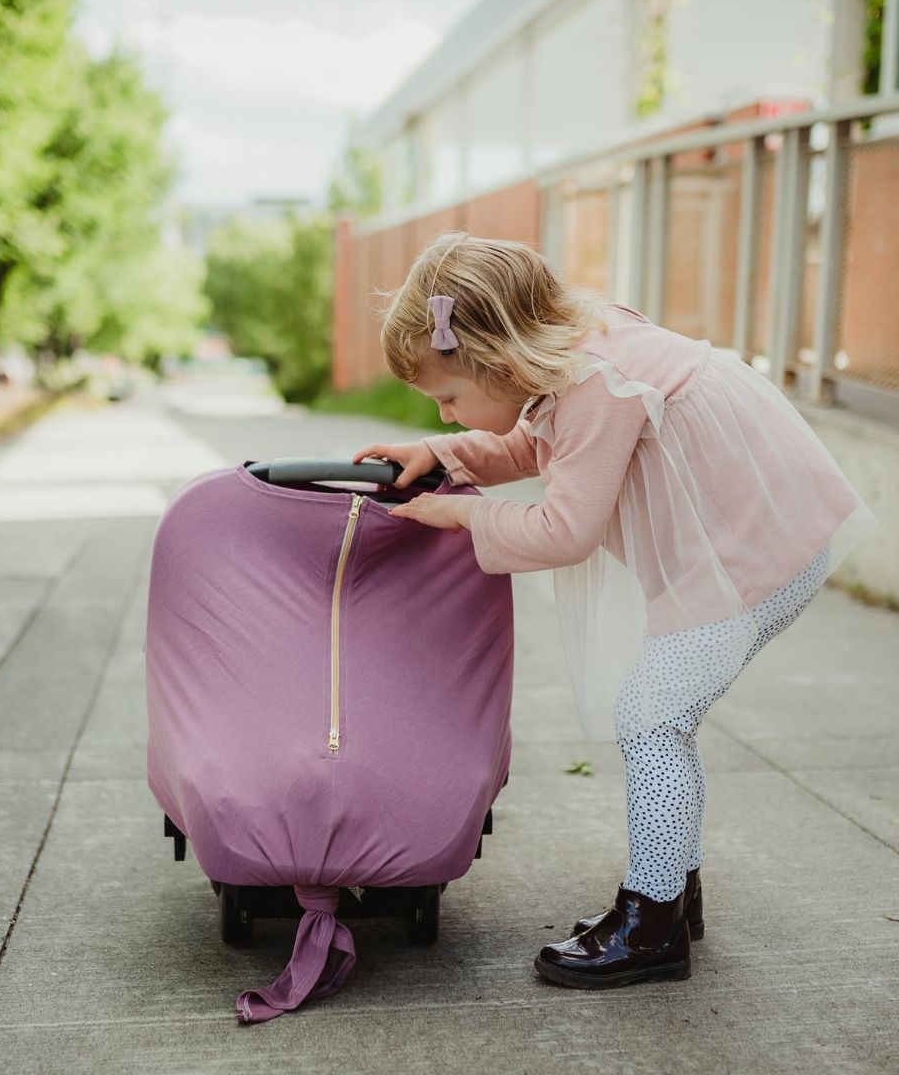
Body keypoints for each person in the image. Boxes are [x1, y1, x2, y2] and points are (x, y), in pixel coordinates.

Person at [352, 231, 875, 990]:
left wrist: (462, 517)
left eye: (449, 395)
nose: (444, 406)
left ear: (499, 359)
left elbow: (567, 530)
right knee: (662, 716)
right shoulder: (575, 347)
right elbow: (538, 443)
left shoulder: (596, 382)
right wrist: (447, 452)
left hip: (749, 558)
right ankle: (671, 896)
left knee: (652, 720)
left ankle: (651, 926)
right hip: (754, 536)